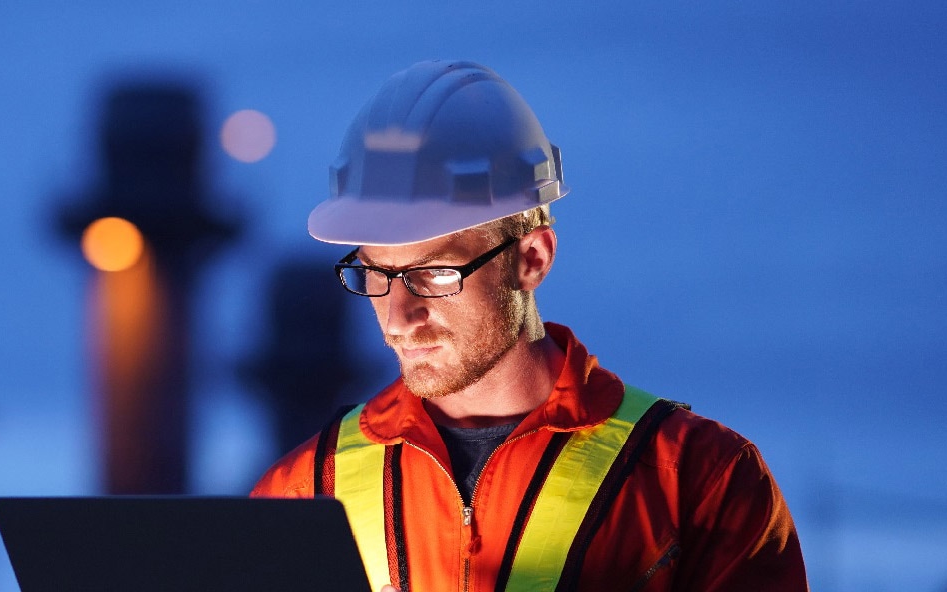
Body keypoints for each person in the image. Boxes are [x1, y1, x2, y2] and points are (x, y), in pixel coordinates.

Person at [250, 60, 808, 592]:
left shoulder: (698, 482)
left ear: (532, 259)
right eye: (376, 272)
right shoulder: (302, 492)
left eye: (436, 272)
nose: (399, 317)